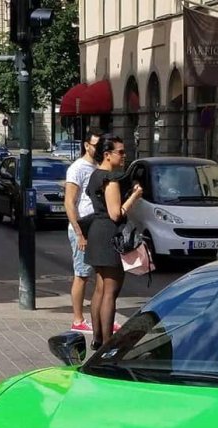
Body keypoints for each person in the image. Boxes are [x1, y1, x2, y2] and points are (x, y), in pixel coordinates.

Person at [85, 135, 143, 348]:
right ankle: (108, 344)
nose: (124, 155)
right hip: (109, 234)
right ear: (107, 155)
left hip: (97, 233)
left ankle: (97, 338)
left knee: (100, 288)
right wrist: (134, 196)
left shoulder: (95, 176)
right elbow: (115, 214)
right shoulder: (110, 180)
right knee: (110, 291)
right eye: (120, 151)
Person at [65, 129, 100, 332]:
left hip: (97, 227)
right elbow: (69, 202)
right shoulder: (77, 168)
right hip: (83, 229)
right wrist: (79, 233)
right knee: (82, 274)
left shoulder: (98, 167)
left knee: (100, 274)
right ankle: (78, 320)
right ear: (87, 145)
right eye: (96, 145)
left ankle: (99, 318)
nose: (99, 149)